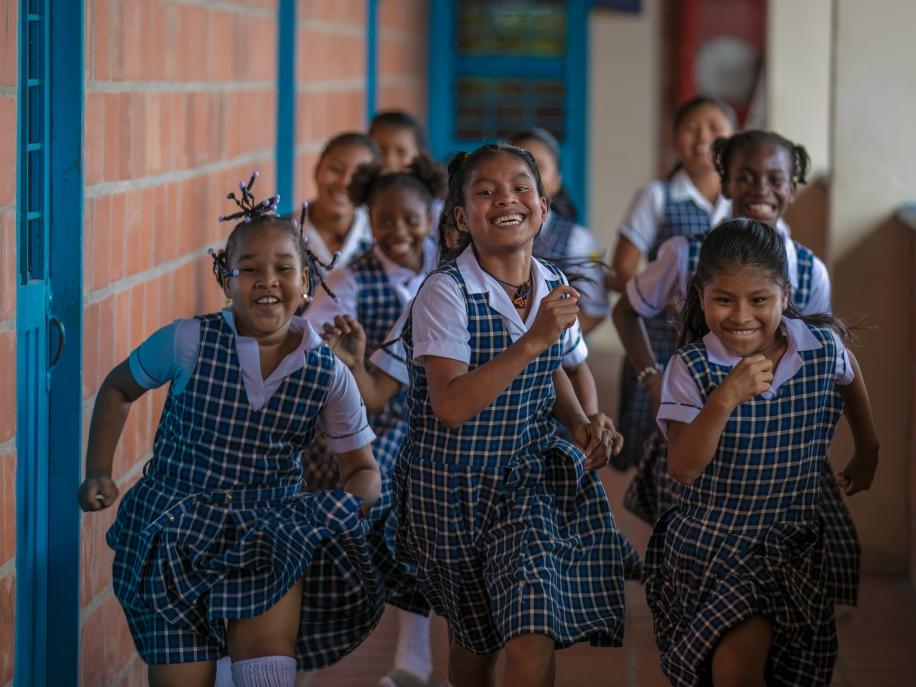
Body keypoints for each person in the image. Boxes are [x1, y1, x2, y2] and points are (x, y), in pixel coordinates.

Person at [78, 176, 383, 687]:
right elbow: (117, 389)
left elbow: (363, 469)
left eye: (284, 269)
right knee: (183, 676)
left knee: (264, 661)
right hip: (173, 529)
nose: (267, 281)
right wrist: (97, 472)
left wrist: (343, 510)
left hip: (269, 530)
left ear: (306, 281)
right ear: (225, 280)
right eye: (249, 270)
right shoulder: (187, 341)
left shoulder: (328, 372)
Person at [394, 143, 627, 687]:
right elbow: (450, 406)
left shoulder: (549, 282)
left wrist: (584, 423)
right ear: (461, 219)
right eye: (486, 191)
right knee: (476, 648)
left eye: (521, 187)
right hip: (449, 492)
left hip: (524, 481)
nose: (507, 199)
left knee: (531, 627)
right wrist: (533, 340)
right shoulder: (444, 293)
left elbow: (556, 371)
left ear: (544, 208)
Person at [645, 218, 878, 686]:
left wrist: (868, 447)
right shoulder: (691, 368)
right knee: (733, 666)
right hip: (715, 549)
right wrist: (725, 399)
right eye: (724, 300)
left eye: (759, 301)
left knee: (784, 672)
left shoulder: (818, 348)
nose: (741, 316)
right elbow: (684, 466)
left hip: (793, 543)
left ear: (785, 295)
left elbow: (848, 369)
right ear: (701, 295)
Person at [303, 156, 448, 687]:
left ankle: (415, 659)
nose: (399, 232)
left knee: (423, 530)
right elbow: (312, 349)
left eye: (410, 219)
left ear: (431, 215)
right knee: (371, 521)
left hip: (441, 423)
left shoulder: (450, 270)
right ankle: (312, 644)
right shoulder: (347, 281)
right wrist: (349, 359)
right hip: (369, 422)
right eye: (384, 221)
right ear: (368, 218)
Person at [607, 96, 737, 469]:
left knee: (718, 453)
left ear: (734, 136)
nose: (703, 138)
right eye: (691, 128)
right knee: (659, 453)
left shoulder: (743, 200)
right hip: (663, 346)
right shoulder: (657, 197)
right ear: (675, 139)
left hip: (727, 349)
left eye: (714, 128)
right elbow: (621, 271)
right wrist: (665, 295)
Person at [510, 127, 610, 334]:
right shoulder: (480, 232)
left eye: (538, 167)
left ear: (556, 182)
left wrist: (548, 346)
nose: (527, 177)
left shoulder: (578, 240)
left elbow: (594, 311)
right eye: (517, 166)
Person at [301, 132, 380, 266]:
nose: (344, 182)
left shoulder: (380, 240)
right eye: (335, 169)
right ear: (317, 169)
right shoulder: (284, 234)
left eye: (359, 175)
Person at [509, 126, 578, 222]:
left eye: (539, 166)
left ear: (556, 181)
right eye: (520, 164)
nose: (528, 174)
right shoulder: (486, 232)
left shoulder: (577, 236)